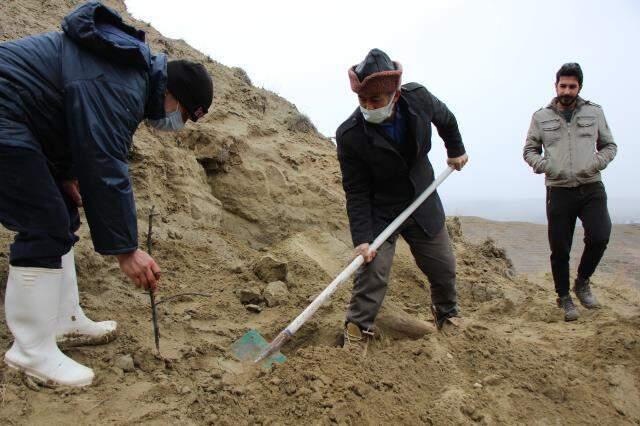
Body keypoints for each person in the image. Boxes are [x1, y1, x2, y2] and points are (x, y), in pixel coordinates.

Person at [0, 1, 213, 386]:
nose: (174, 125)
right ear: (174, 95)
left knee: (62, 211)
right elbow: (103, 164)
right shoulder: (123, 82)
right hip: (4, 113)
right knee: (45, 224)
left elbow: (67, 122)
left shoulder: (126, 73)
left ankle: (64, 321)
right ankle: (31, 351)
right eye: (181, 116)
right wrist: (126, 250)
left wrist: (64, 176)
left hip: (19, 117)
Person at [336, 49, 468, 350]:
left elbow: (446, 119)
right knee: (372, 270)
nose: (368, 107)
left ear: (394, 94)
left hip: (422, 195)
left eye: (375, 101)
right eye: (362, 101)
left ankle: (447, 316)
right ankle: (358, 330)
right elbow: (355, 192)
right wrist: (363, 239)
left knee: (443, 265)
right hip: (381, 207)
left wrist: (455, 150)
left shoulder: (418, 99)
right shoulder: (349, 135)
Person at [523, 63, 616, 321]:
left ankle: (582, 282)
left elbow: (609, 146)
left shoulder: (594, 113)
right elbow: (529, 150)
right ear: (556, 86)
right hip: (559, 190)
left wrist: (596, 163)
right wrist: (545, 167)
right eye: (562, 85)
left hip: (591, 186)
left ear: (579, 88)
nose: (567, 90)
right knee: (560, 248)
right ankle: (564, 297)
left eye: (572, 86)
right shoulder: (541, 117)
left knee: (600, 236)